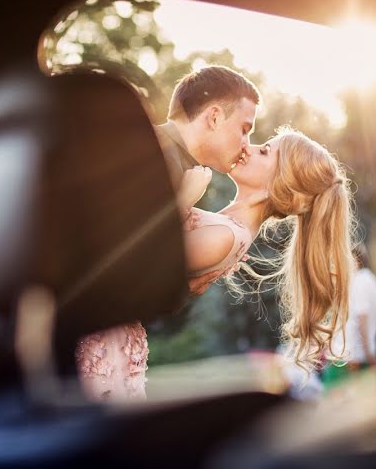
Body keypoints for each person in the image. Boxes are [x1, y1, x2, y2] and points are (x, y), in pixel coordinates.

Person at [76, 124, 354, 400]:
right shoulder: (228, 224)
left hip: (101, 346)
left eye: (265, 151)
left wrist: (183, 198)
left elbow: (134, 263)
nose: (249, 147)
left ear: (281, 186)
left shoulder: (226, 236)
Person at [75, 66, 261, 401]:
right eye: (244, 129)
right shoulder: (151, 156)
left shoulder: (176, 162)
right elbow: (111, 259)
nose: (246, 144)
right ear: (215, 117)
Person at [321, 243, 376, 389]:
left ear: (355, 260)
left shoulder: (362, 281)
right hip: (348, 358)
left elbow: (361, 321)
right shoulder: (358, 281)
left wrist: (371, 359)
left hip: (353, 360)